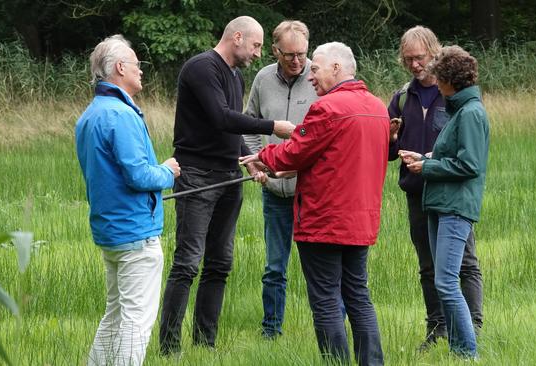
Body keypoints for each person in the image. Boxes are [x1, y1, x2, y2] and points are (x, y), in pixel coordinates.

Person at [241, 41, 387, 366]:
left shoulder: (327, 109)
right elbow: (333, 158)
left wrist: (264, 156)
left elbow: (296, 150)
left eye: (316, 69)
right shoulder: (378, 107)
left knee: (324, 302)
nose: (311, 76)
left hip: (323, 222)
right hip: (361, 221)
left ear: (337, 68)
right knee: (359, 297)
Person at [159, 16, 295, 355]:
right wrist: (272, 126)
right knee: (188, 263)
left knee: (220, 263)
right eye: (256, 45)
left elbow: (229, 131)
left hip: (229, 177)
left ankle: (205, 345)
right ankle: (169, 348)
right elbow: (222, 117)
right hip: (197, 177)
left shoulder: (234, 76)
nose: (259, 52)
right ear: (237, 37)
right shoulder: (202, 68)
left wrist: (254, 159)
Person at [75, 34, 181, 366]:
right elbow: (138, 175)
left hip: (111, 233)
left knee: (116, 315)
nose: (141, 71)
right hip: (136, 235)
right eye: (137, 64)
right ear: (121, 68)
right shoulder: (121, 115)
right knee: (136, 322)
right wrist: (167, 171)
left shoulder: (89, 115)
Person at [387, 26, 483, 350]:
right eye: (408, 59)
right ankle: (440, 330)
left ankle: (470, 335)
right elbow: (389, 153)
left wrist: (428, 164)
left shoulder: (460, 104)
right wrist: (395, 141)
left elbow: (469, 162)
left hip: (453, 198)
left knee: (461, 267)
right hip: (421, 192)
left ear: (435, 54)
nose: (415, 65)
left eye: (420, 58)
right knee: (430, 269)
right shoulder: (402, 97)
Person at [243, 20, 319, 339]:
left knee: (319, 268)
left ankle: (329, 330)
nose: (297, 61)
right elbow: (248, 123)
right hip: (274, 191)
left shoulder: (320, 76)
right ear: (275, 51)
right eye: (289, 55)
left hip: (312, 192)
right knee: (275, 267)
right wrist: (253, 163)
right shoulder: (262, 79)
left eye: (302, 54)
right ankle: (271, 331)